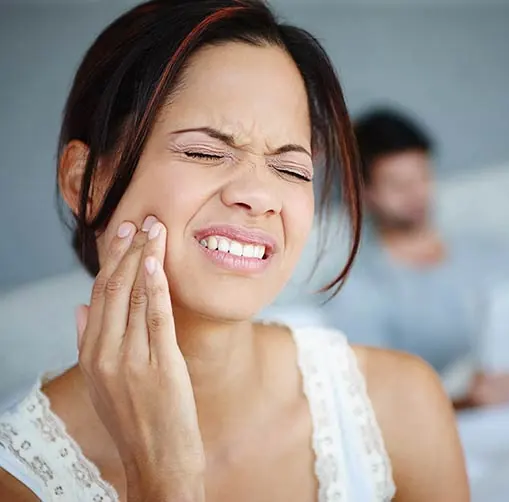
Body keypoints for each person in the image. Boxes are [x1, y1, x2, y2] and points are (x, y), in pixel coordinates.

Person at [0, 2, 469, 501]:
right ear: (85, 182)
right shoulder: (17, 479)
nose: (260, 196)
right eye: (205, 152)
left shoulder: (400, 403)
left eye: (291, 169)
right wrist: (164, 477)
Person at [320, 108, 509, 408]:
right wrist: (466, 401)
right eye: (398, 185)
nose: (416, 194)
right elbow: (376, 396)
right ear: (365, 192)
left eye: (423, 177)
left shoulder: (487, 250)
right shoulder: (359, 289)